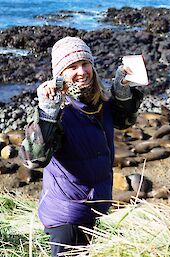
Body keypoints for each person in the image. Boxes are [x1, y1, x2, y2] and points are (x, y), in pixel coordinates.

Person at [19, 36, 143, 256]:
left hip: (93, 210)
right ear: (60, 74)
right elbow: (33, 160)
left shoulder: (98, 102)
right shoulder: (57, 111)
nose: (82, 71)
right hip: (67, 217)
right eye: (72, 67)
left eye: (85, 64)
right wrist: (47, 112)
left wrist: (122, 88)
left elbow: (125, 121)